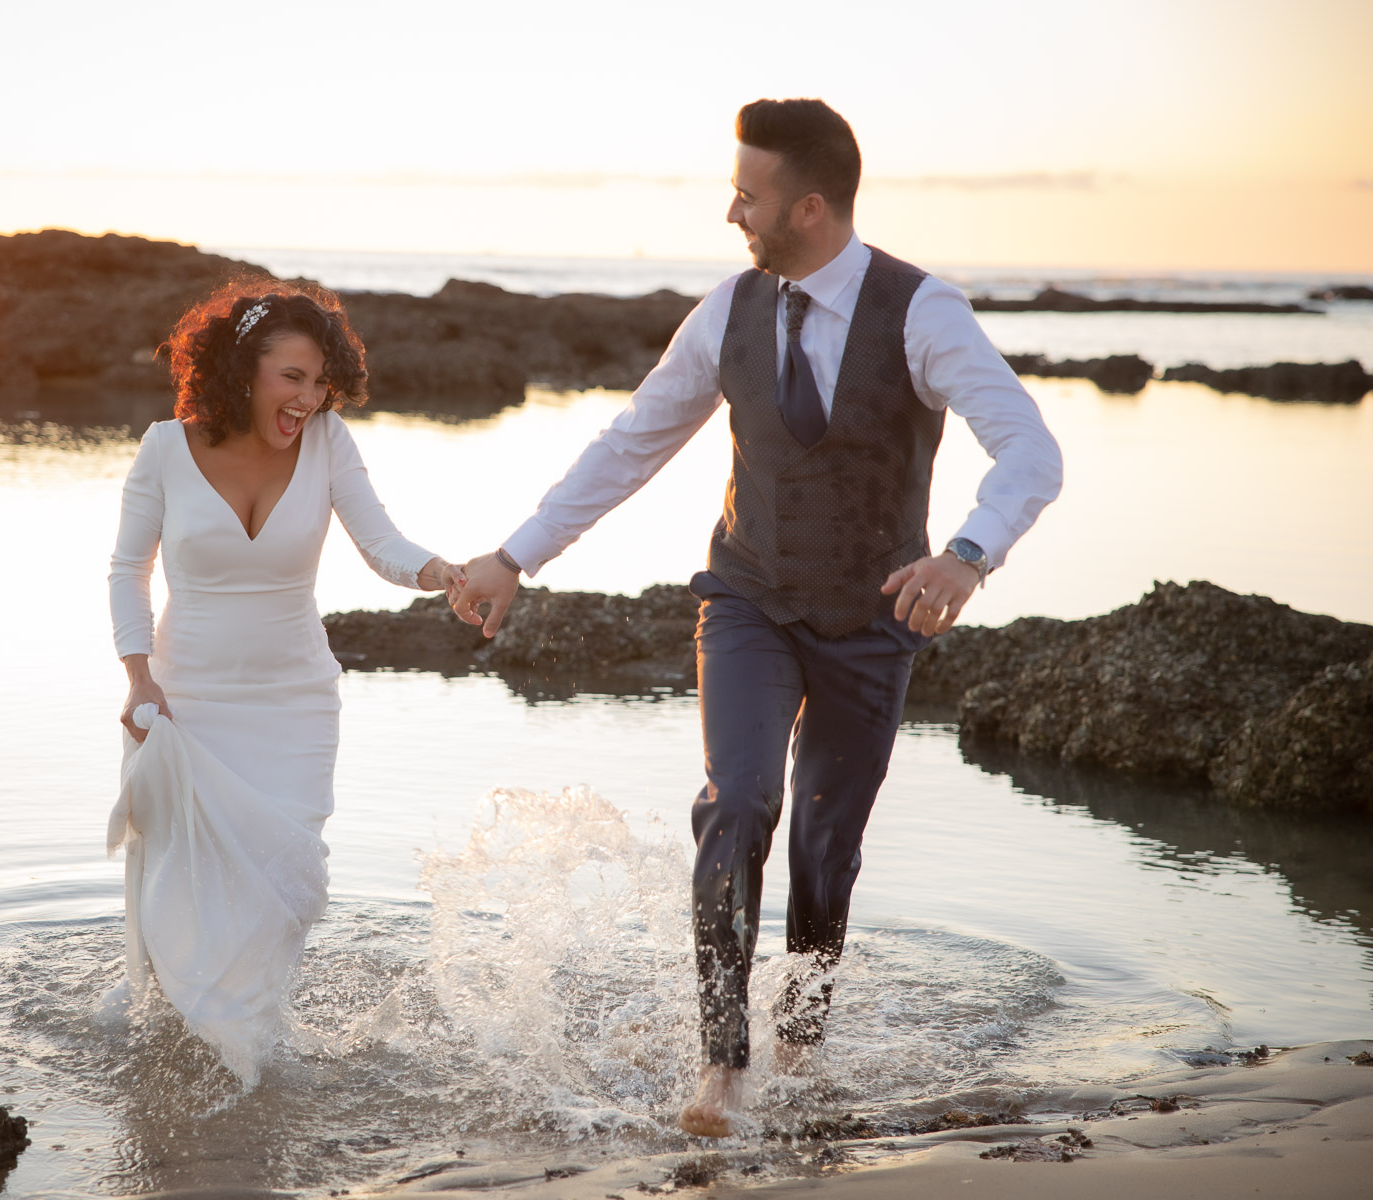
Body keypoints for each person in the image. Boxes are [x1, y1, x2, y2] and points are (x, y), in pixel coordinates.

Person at [450, 98, 1063, 1136]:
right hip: (745, 603)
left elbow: (1031, 450)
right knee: (737, 804)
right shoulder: (726, 311)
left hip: (874, 623)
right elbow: (630, 443)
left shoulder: (923, 312)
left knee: (828, 847)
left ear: (810, 207)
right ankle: (723, 1068)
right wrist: (516, 555)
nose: (731, 208)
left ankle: (803, 1046)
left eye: (749, 192)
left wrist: (966, 558)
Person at [105, 283, 461, 1080]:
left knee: (285, 887)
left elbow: (380, 541)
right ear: (243, 370)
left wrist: (442, 572)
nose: (307, 398)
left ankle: (248, 1046)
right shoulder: (165, 448)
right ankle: (192, 1049)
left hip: (295, 704)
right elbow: (130, 569)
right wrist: (138, 679)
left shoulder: (329, 442)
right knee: (182, 886)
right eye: (291, 377)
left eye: (319, 380)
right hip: (184, 702)